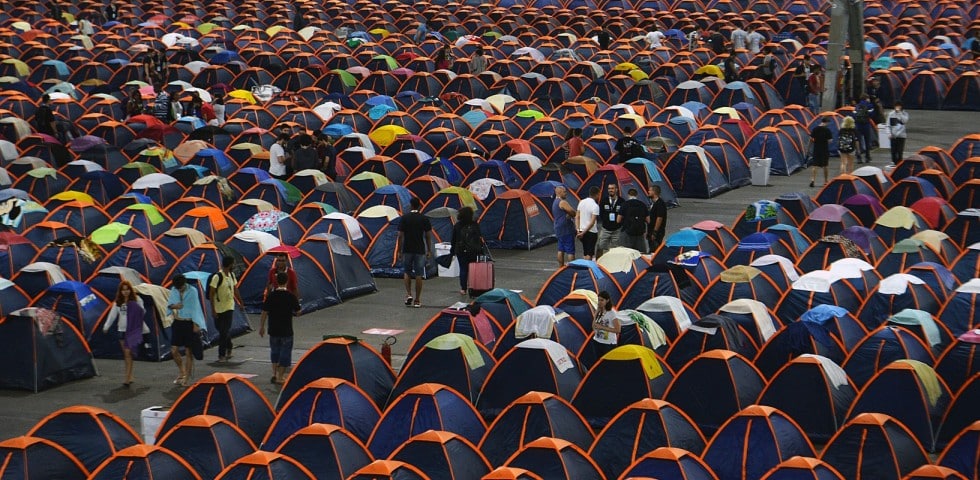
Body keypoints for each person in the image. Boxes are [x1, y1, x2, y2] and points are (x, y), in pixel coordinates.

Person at [102, 281, 149, 387]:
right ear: (120, 291)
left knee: (128, 353)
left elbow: (143, 312)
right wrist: (106, 326)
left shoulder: (137, 300)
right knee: (127, 354)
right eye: (123, 289)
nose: (125, 291)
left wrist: (135, 307)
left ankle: (127, 377)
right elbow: (112, 315)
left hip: (132, 330)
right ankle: (129, 375)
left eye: (127, 289)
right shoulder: (118, 302)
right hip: (121, 330)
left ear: (130, 290)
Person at [259, 272, 300, 385]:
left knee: (275, 351)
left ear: (276, 281)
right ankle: (280, 377)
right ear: (286, 281)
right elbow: (298, 312)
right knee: (285, 353)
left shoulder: (271, 296)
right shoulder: (290, 296)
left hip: (273, 329)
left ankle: (274, 374)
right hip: (286, 329)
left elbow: (264, 312)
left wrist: (261, 326)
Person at [167, 274, 206, 387]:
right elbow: (169, 305)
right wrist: (175, 306)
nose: (179, 289)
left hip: (189, 323)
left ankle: (187, 378)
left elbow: (195, 308)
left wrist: (196, 324)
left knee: (189, 352)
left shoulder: (193, 291)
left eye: (181, 287)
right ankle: (181, 371)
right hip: (178, 322)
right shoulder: (173, 290)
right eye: (177, 287)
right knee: (174, 350)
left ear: (184, 284)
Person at [399, 197, 433, 308]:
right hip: (419, 249)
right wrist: (429, 250)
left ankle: (409, 294)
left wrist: (399, 250)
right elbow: (428, 235)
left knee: (407, 272)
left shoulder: (404, 218)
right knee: (419, 274)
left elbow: (400, 235)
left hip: (407, 249)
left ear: (410, 205)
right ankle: (417, 300)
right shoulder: (424, 219)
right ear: (419, 206)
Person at [210, 255, 243, 363]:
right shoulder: (217, 277)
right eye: (233, 263)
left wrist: (240, 302)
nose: (234, 265)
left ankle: (221, 354)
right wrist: (213, 309)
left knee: (223, 332)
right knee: (222, 330)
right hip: (219, 308)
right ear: (229, 265)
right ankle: (229, 344)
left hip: (229, 307)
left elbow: (235, 289)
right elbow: (211, 294)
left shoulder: (232, 275)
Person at [450, 206, 482, 295]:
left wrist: (452, 250)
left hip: (461, 250)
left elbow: (454, 239)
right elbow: (479, 237)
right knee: (473, 269)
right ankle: (473, 286)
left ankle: (463, 289)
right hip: (474, 250)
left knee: (463, 269)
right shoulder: (475, 224)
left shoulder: (457, 225)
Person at [597, 183, 624, 258]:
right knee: (600, 247)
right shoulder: (604, 200)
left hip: (617, 230)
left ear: (616, 189)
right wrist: (605, 221)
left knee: (616, 249)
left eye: (612, 188)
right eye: (609, 189)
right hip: (605, 229)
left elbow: (623, 215)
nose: (610, 190)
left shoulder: (622, 201)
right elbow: (601, 213)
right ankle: (598, 263)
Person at [552, 186, 577, 267]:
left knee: (560, 249)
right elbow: (573, 212)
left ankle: (561, 267)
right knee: (570, 251)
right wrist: (571, 214)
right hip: (566, 228)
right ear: (559, 192)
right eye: (564, 192)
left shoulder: (555, 202)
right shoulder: (562, 202)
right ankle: (572, 268)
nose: (566, 193)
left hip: (558, 227)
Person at [591, 290, 621, 358]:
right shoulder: (599, 311)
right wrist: (596, 313)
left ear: (607, 300)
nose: (599, 302)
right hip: (597, 341)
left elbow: (618, 330)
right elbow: (593, 327)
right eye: (598, 300)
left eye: (602, 300)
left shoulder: (612, 313)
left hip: (608, 344)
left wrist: (602, 327)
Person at [619, 188, 648, 253]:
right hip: (639, 232)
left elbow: (618, 220)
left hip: (628, 231)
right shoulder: (642, 204)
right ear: (636, 195)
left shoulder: (624, 204)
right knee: (640, 252)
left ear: (628, 195)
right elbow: (648, 220)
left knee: (628, 252)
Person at [576, 186, 600, 260]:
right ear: (597, 194)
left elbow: (577, 217)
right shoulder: (595, 206)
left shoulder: (581, 202)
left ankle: (586, 267)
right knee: (590, 253)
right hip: (591, 231)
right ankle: (588, 269)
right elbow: (592, 222)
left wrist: (578, 230)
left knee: (585, 251)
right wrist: (583, 232)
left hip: (581, 229)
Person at [809, 117, 833, 187]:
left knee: (815, 165)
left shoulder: (815, 129)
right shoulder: (827, 130)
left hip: (816, 149)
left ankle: (813, 180)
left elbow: (811, 139)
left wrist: (809, 147)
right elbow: (830, 141)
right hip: (824, 149)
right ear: (826, 122)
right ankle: (826, 181)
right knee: (825, 165)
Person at [853, 95, 876, 163]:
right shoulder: (869, 105)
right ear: (867, 99)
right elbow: (872, 115)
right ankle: (867, 157)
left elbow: (854, 115)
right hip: (866, 125)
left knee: (858, 142)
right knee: (867, 141)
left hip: (858, 125)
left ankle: (859, 157)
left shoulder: (857, 106)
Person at [647, 185, 667, 251]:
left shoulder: (660, 204)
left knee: (654, 250)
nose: (648, 192)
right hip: (651, 231)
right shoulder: (653, 203)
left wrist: (655, 232)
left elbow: (659, 218)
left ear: (654, 192)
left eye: (650, 190)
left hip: (657, 232)